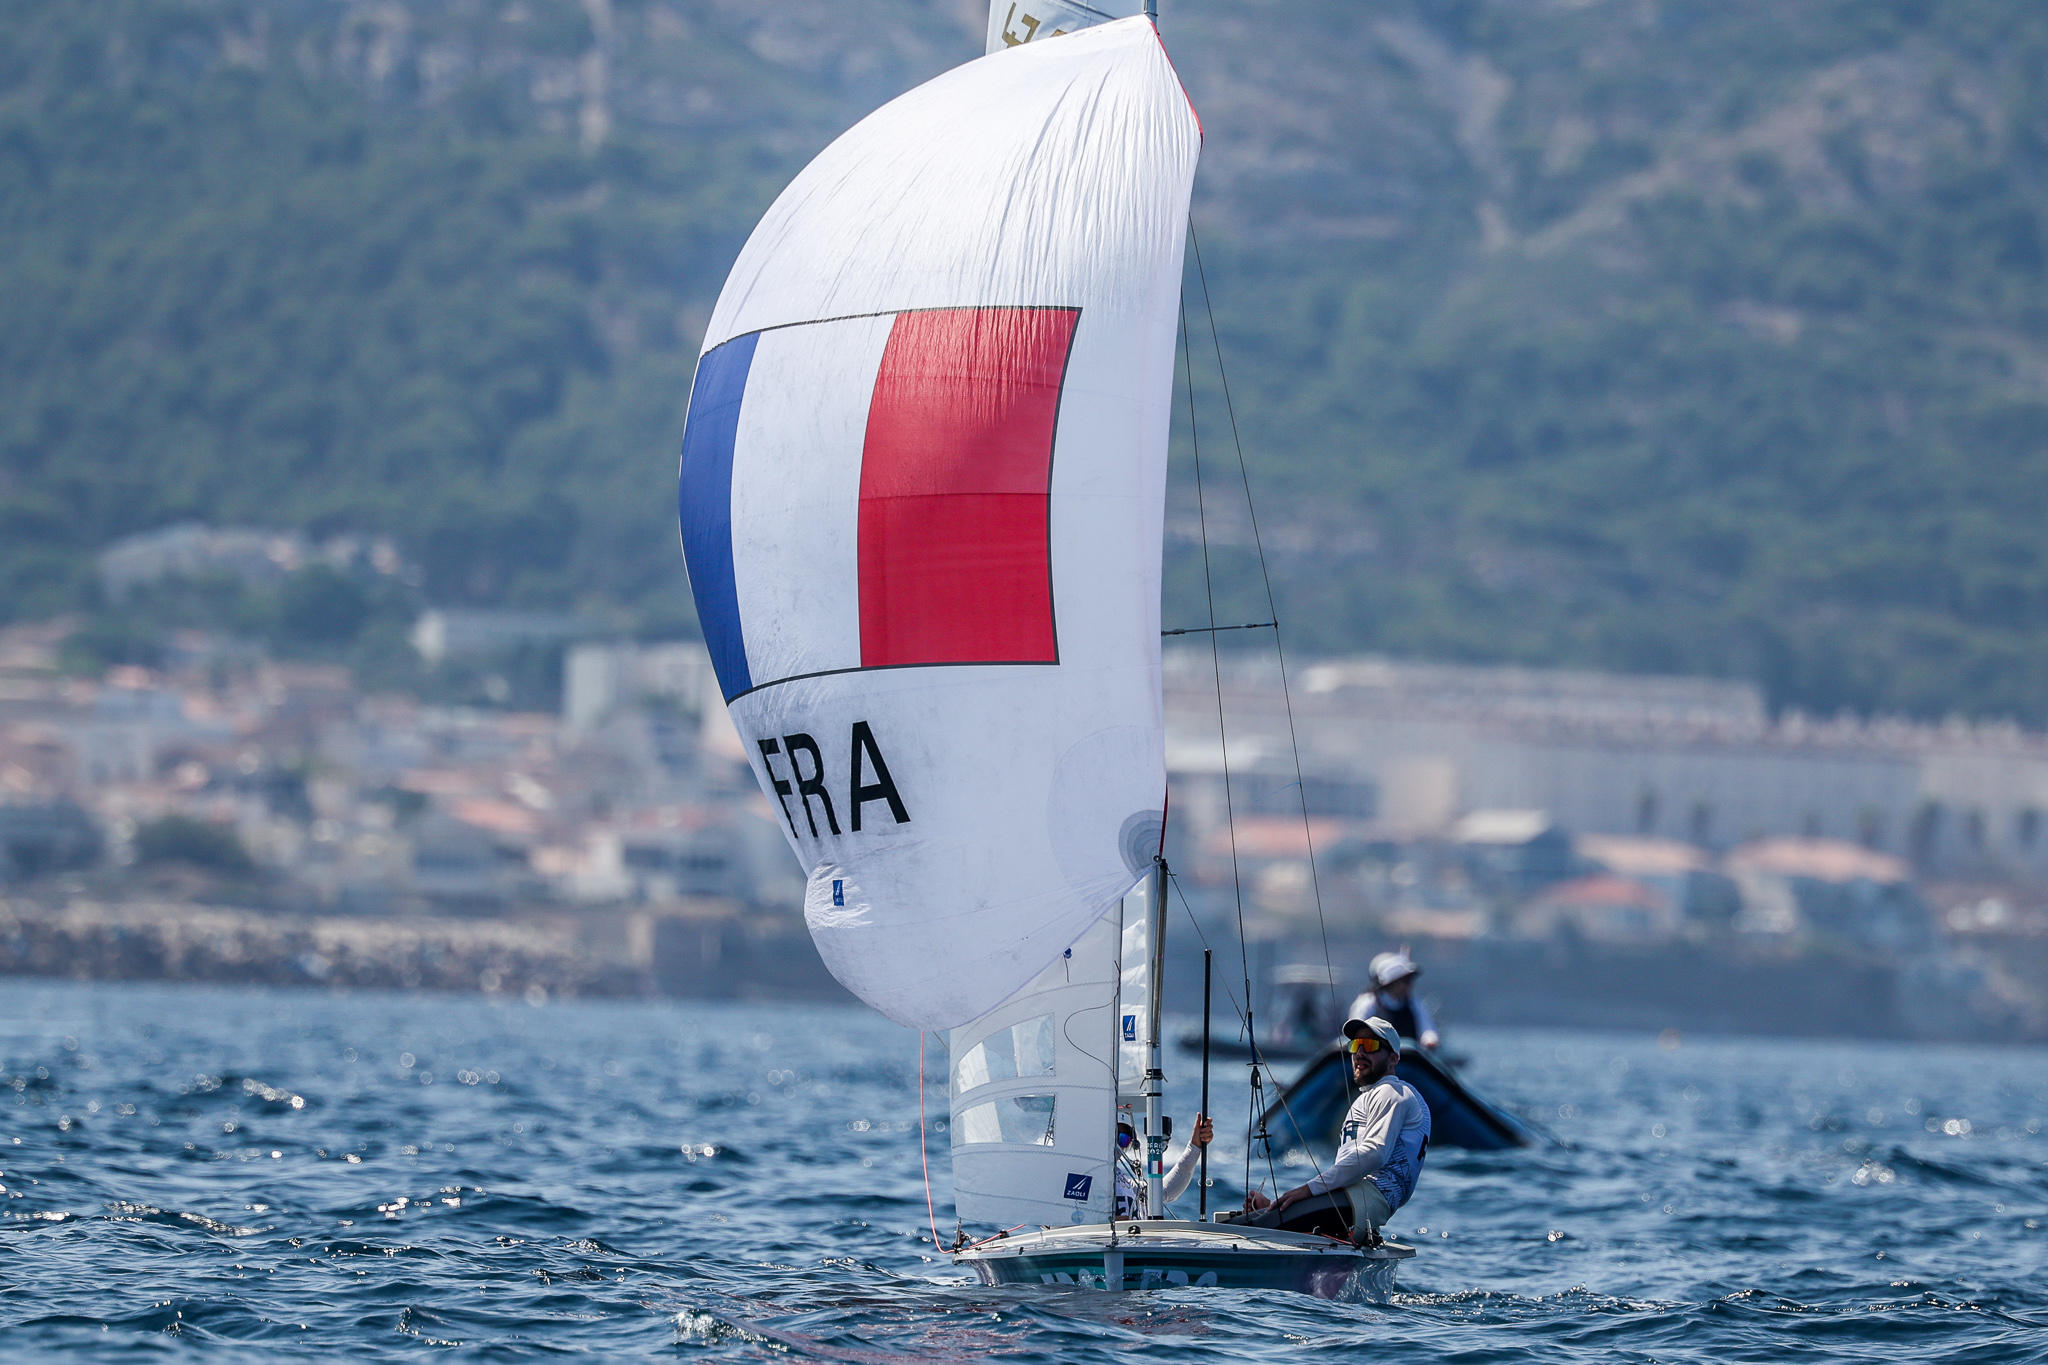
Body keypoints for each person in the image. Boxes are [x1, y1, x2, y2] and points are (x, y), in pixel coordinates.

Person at [1239, 1016, 1429, 1243]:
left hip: (1363, 1202)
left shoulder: (1391, 1092)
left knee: (1246, 1228)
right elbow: (1349, 1170)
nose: (1359, 1053)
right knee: (1260, 1219)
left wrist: (1306, 1191)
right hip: (1354, 1202)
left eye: (1370, 1046)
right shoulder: (1372, 1096)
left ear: (1393, 1058)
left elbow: (1373, 1154)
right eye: (1355, 1046)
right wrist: (1274, 1208)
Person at [1112, 1112, 1214, 1219]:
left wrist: (1195, 1147)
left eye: (1123, 1139)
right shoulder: (1093, 1176)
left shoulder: (1126, 1184)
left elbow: (1166, 1191)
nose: (1118, 1145)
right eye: (1114, 1136)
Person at [1347, 950, 1440, 1051]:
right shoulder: (1368, 1001)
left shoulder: (1414, 1003)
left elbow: (1427, 1029)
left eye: (1410, 980)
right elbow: (1357, 1028)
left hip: (1408, 1058)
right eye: (1405, 981)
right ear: (1391, 983)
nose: (1409, 985)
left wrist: (1429, 1040)